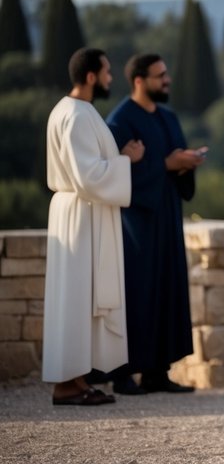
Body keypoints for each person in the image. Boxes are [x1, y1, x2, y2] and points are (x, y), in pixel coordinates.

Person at [42, 47, 144, 406]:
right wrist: (125, 161)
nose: (110, 78)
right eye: (106, 72)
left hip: (82, 213)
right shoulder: (77, 115)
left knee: (80, 299)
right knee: (74, 298)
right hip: (81, 214)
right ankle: (68, 384)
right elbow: (88, 176)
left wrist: (118, 162)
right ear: (90, 76)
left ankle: (77, 380)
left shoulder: (74, 112)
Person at [104, 53, 205, 395]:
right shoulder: (120, 121)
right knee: (137, 292)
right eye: (160, 76)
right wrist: (166, 163)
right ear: (138, 81)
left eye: (166, 74)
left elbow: (170, 162)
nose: (167, 80)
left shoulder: (168, 117)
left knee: (167, 290)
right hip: (137, 223)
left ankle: (157, 372)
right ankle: (123, 373)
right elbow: (118, 174)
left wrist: (185, 163)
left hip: (167, 216)